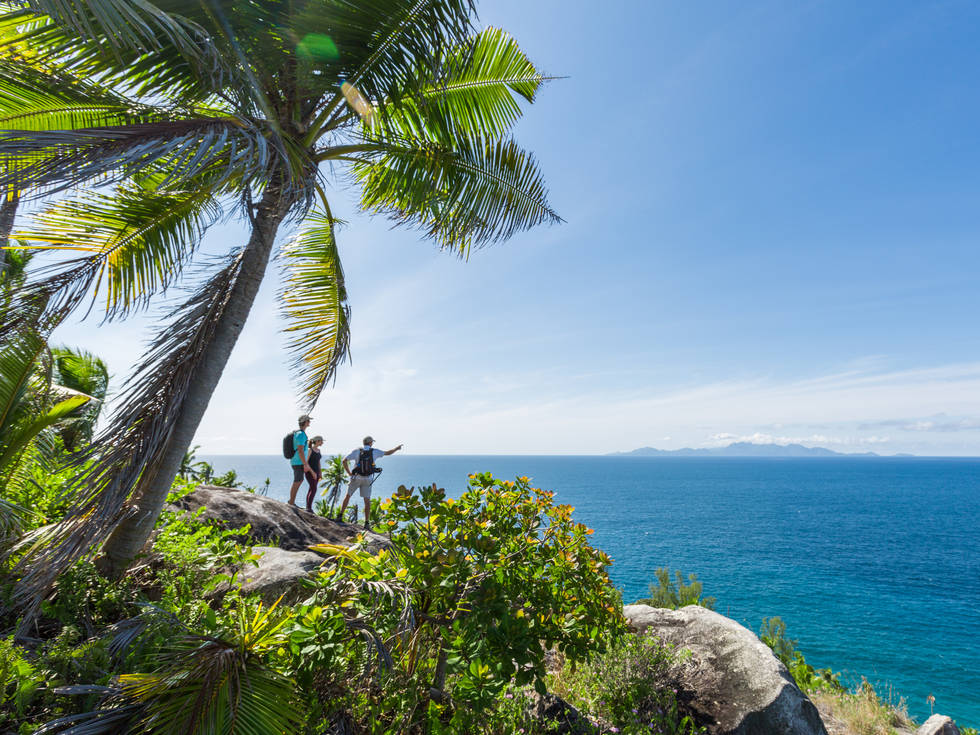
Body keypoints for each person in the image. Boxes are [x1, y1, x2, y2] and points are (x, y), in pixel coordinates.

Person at [338, 436, 402, 529]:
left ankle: (340, 516)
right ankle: (366, 523)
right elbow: (388, 453)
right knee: (367, 501)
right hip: (368, 479)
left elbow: (344, 460)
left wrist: (349, 473)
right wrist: (396, 448)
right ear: (371, 443)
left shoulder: (357, 451)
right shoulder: (375, 452)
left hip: (356, 477)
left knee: (348, 495)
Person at [287, 414, 313, 507]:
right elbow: (301, 450)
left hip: (297, 461)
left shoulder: (298, 433)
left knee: (299, 480)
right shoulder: (301, 434)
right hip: (298, 461)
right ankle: (291, 502)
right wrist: (305, 464)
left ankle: (292, 501)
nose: (310, 422)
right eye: (309, 421)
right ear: (305, 422)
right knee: (297, 480)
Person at [305, 435, 324, 512]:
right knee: (313, 489)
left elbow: (318, 462)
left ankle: (308, 507)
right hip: (309, 472)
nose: (322, 442)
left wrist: (320, 473)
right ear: (317, 441)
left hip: (316, 472)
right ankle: (309, 508)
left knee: (311, 488)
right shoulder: (310, 450)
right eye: (321, 441)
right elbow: (306, 462)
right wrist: (312, 473)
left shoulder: (319, 450)